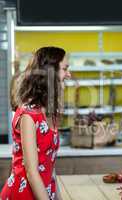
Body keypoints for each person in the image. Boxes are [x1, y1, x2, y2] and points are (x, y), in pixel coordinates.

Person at [1, 47, 71, 200]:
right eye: (65, 69)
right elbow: (32, 173)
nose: (69, 74)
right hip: (23, 195)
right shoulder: (28, 115)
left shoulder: (51, 113)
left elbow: (50, 166)